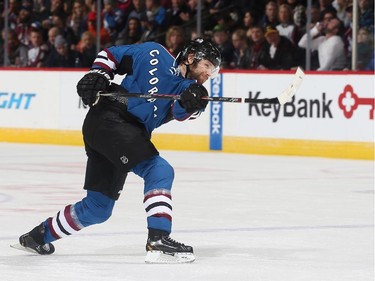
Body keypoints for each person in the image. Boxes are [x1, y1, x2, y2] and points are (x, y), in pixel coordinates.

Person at [18, 38, 221, 264]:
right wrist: (98, 74)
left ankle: (37, 236)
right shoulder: (154, 52)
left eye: (212, 73)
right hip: (109, 118)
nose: (207, 76)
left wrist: (194, 101)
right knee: (159, 170)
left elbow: (183, 113)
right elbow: (111, 55)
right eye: (206, 67)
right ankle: (159, 240)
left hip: (121, 133)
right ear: (191, 57)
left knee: (98, 208)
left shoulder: (191, 90)